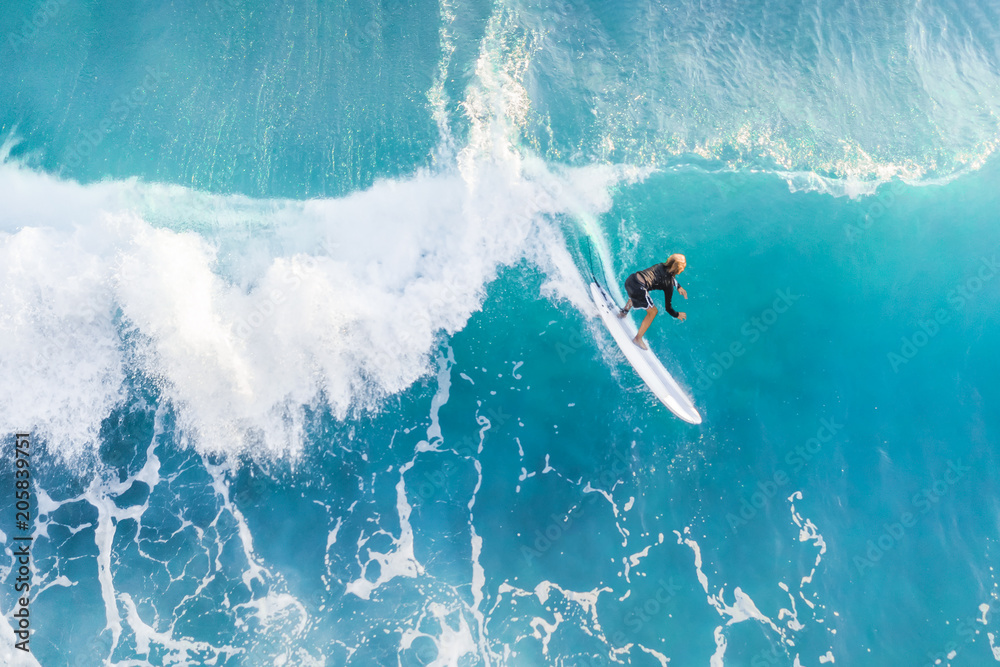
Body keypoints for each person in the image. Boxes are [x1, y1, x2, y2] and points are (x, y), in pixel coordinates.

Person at [617, 253, 688, 349]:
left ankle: (623, 312)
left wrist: (678, 286)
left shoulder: (660, 265)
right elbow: (668, 308)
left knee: (637, 295)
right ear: (679, 270)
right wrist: (677, 314)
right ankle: (638, 339)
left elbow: (670, 276)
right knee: (653, 311)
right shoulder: (668, 284)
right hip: (638, 289)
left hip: (631, 280)